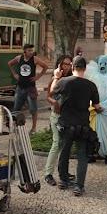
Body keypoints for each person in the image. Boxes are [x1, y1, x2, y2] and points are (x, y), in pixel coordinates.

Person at [52, 56, 103, 196]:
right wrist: (100, 110)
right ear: (84, 69)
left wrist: (56, 77)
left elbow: (52, 93)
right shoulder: (91, 85)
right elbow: (97, 106)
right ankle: (79, 186)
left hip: (66, 124)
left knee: (64, 153)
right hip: (82, 125)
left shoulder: (63, 82)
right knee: (82, 155)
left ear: (72, 67)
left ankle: (63, 181)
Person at [43, 55, 73, 186]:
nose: (66, 66)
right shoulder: (55, 79)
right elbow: (49, 96)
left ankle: (63, 171)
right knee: (56, 143)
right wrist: (54, 103)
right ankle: (48, 173)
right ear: (59, 65)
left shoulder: (72, 78)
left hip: (68, 116)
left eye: (68, 64)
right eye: (64, 64)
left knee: (65, 145)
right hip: (57, 115)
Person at [7, 44, 50, 131]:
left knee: (33, 109)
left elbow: (45, 66)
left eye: (32, 50)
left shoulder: (34, 59)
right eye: (29, 50)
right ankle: (14, 126)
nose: (31, 52)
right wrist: (15, 74)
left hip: (30, 88)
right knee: (16, 108)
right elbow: (9, 64)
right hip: (20, 87)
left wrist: (38, 76)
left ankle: (33, 128)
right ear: (25, 51)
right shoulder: (19, 58)